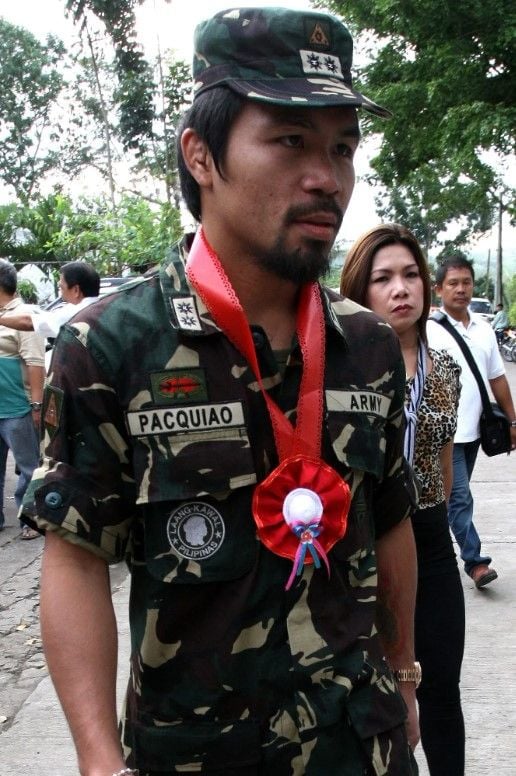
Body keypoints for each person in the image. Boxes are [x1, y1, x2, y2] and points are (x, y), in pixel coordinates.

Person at [21, 8, 421, 775]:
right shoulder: (111, 346)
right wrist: (98, 760)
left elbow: (392, 519)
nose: (326, 177)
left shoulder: (367, 345)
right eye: (291, 141)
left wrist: (404, 675)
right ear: (200, 156)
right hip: (197, 754)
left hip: (360, 745)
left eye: (342, 148)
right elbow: (76, 557)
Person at [341, 224, 465, 775]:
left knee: (440, 686)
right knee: (366, 688)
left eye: (411, 275)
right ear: (359, 290)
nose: (401, 289)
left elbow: (443, 462)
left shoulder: (446, 371)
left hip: (430, 544)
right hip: (359, 541)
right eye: (383, 278)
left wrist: (439, 527)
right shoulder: (341, 371)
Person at [427, 256, 516, 588]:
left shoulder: (484, 330)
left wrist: (513, 421)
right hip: (443, 434)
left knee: (449, 498)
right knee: (460, 497)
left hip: (475, 432)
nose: (461, 289)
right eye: (453, 283)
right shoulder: (427, 330)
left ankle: (433, 551)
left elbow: (497, 379)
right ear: (439, 289)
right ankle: (475, 562)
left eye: (466, 282)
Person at [0, 260, 45, 537]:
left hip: (18, 408)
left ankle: (30, 519)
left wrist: (37, 406)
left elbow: (35, 363)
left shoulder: (24, 315)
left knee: (29, 467)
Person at [0, 260, 100, 339]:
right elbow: (49, 316)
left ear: (76, 290)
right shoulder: (100, 308)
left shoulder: (77, 312)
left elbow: (29, 322)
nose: (59, 288)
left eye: (61, 287)